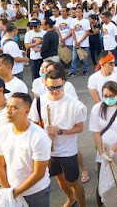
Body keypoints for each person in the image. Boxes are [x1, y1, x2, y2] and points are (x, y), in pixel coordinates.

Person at [29, 70, 86, 207]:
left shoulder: (74, 104)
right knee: (59, 176)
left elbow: (79, 127)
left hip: (68, 150)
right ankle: (71, 199)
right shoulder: (38, 102)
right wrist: (44, 134)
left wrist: (60, 131)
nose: (55, 91)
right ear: (45, 84)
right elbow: (33, 124)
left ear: (64, 84)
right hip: (48, 150)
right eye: (51, 88)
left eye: (58, 87)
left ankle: (82, 205)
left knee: (73, 180)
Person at [0, 93, 51, 206]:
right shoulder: (2, 132)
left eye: (14, 108)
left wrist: (15, 193)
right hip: (10, 190)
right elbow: (0, 165)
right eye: (8, 107)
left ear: (27, 111)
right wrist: (7, 192)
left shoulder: (39, 137)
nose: (9, 111)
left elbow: (39, 173)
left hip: (35, 193)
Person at [89, 81, 117, 207]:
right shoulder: (97, 108)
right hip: (103, 154)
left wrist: (114, 150)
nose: (108, 99)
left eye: (111, 96)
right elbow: (96, 133)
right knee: (103, 182)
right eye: (105, 96)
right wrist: (102, 153)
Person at [70, 7, 90, 77]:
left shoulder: (86, 21)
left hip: (84, 43)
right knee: (74, 58)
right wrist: (75, 41)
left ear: (82, 13)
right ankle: (73, 71)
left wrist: (80, 41)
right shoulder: (73, 21)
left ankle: (85, 70)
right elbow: (72, 31)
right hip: (75, 43)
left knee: (85, 58)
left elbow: (87, 33)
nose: (78, 13)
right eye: (76, 12)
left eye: (79, 12)